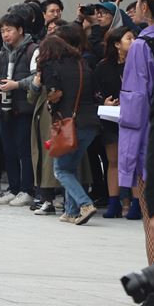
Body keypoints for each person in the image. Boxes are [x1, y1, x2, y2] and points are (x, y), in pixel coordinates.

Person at [118, 0, 154, 306]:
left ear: (145, 7)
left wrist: (129, 165)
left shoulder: (143, 47)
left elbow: (135, 108)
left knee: (153, 220)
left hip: (153, 147)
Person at [39, 34, 99, 225]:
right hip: (91, 123)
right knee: (70, 167)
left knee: (61, 170)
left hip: (69, 124)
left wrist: (50, 101)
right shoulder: (82, 64)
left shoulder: (50, 65)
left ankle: (85, 204)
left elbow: (54, 93)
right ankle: (71, 211)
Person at [0, 13, 38, 207]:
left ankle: (27, 189)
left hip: (24, 108)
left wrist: (16, 84)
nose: (5, 34)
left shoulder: (33, 50)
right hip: (4, 108)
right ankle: (13, 187)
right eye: (2, 31)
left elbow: (37, 77)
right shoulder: (1, 53)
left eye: (9, 30)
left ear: (20, 30)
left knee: (24, 150)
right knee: (8, 150)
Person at [94, 26, 136, 218]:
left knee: (133, 161)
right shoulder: (103, 66)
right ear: (117, 44)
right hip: (111, 118)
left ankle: (135, 203)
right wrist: (104, 101)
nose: (134, 41)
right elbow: (96, 91)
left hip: (135, 117)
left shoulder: (140, 62)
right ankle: (114, 202)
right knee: (113, 161)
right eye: (129, 38)